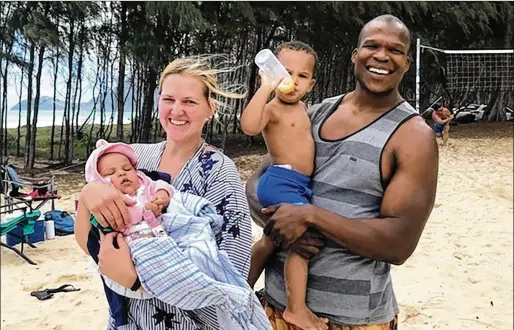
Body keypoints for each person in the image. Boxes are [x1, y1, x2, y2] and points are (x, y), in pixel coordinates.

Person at [246, 15, 439, 330]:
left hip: (352, 320)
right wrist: (280, 224)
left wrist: (311, 217)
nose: (381, 56)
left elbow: (399, 243)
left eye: (395, 50)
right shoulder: (317, 112)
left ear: (406, 63)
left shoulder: (413, 136)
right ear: (355, 54)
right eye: (372, 45)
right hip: (275, 309)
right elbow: (258, 182)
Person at [75, 55, 257, 330]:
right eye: (169, 99)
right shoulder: (131, 158)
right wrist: (89, 194)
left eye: (190, 102)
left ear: (210, 108)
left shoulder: (219, 171)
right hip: (127, 321)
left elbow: (231, 270)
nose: (177, 110)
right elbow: (87, 240)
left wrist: (138, 280)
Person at [241, 41, 328, 330]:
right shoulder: (273, 109)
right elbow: (249, 126)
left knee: (270, 241)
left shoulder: (306, 109)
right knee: (303, 245)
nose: (293, 80)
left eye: (302, 76)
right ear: (270, 73)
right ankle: (296, 309)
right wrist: (266, 88)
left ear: (312, 83)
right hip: (281, 181)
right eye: (285, 72)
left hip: (297, 184)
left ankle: (244, 288)